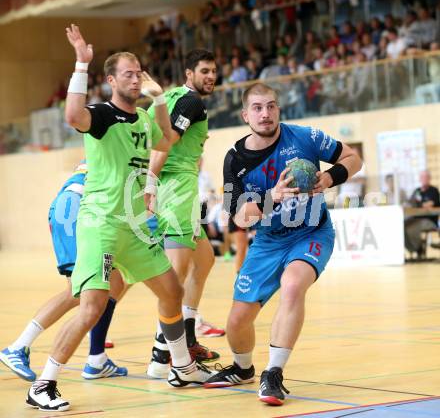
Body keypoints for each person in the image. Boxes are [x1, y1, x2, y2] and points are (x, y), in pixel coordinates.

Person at [25, 24, 213, 412]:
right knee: (91, 305)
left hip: (134, 226)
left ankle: (181, 366)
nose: (135, 77)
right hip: (101, 225)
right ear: (111, 80)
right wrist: (81, 63)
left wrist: (159, 99)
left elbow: (166, 140)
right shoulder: (101, 115)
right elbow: (72, 114)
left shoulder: (144, 119)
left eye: (139, 71)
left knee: (172, 291)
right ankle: (44, 383)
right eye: (127, 73)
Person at [204, 83, 362, 406]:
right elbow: (240, 217)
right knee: (236, 322)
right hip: (267, 242)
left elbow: (353, 158)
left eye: (271, 106)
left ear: (279, 109)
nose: (266, 114)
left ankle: (273, 373)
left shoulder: (305, 137)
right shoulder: (235, 159)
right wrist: (271, 197)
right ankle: (242, 368)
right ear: (245, 114)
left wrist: (329, 178)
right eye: (258, 108)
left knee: (292, 286)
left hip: (311, 233)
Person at [0, 161, 126, 382]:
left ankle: (97, 359)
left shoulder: (115, 141)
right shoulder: (127, 146)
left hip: (77, 209)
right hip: (76, 210)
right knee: (77, 291)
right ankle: (18, 347)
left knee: (114, 283)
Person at [145, 49, 221, 378]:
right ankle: (164, 353)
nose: (211, 76)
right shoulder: (191, 101)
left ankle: (186, 335)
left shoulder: (173, 96)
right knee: (174, 278)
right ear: (189, 73)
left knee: (205, 259)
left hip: (174, 187)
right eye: (204, 70)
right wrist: (149, 183)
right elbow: (168, 141)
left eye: (214, 71)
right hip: (176, 188)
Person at [405, 170, 440, 258]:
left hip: (429, 220)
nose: (424, 179)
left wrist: (422, 204)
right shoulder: (417, 191)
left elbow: (432, 203)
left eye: (426, 177)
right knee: (404, 225)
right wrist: (423, 204)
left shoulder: (434, 191)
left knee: (413, 226)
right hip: (416, 218)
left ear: (429, 179)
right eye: (422, 177)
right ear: (420, 179)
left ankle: (418, 248)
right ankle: (414, 248)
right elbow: (411, 203)